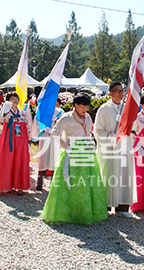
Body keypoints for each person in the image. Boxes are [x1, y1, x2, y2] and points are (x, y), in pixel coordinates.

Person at [42, 92, 108, 225]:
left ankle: (88, 210)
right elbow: (54, 132)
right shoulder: (66, 117)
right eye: (82, 106)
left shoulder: (88, 117)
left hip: (87, 151)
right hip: (71, 151)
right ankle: (68, 212)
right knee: (71, 182)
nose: (85, 109)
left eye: (87, 106)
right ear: (75, 105)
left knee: (87, 182)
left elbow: (88, 132)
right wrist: (64, 144)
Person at [93, 82, 136, 218]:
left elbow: (133, 126)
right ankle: (104, 205)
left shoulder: (126, 109)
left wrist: (132, 133)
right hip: (108, 149)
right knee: (108, 175)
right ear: (110, 93)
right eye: (117, 91)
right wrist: (112, 136)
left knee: (124, 174)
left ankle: (122, 207)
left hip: (124, 147)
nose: (121, 93)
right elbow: (97, 131)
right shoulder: (104, 109)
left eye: (122, 90)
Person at [0, 92, 30, 193]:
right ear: (8, 100)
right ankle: (6, 184)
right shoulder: (6, 112)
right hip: (8, 139)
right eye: (12, 99)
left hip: (20, 139)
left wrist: (29, 138)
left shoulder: (22, 112)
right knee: (7, 159)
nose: (15, 100)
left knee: (20, 159)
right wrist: (4, 110)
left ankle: (19, 184)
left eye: (16, 98)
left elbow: (27, 125)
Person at [36, 97, 64, 190]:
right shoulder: (42, 110)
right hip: (45, 135)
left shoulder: (60, 112)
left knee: (55, 159)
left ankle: (53, 183)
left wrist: (57, 120)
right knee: (43, 158)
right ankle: (39, 182)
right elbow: (37, 122)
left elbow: (64, 124)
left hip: (56, 137)